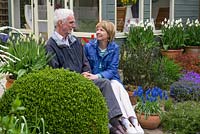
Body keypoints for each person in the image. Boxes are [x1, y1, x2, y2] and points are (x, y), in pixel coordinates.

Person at [45, 9, 126, 134]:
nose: (74, 26)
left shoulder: (75, 41)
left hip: (83, 79)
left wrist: (87, 73)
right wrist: (76, 78)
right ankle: (112, 128)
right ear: (61, 23)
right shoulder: (51, 45)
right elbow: (55, 71)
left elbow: (85, 62)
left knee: (105, 83)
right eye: (71, 23)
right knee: (103, 85)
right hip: (68, 84)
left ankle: (115, 123)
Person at [83, 20, 144, 134]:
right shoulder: (88, 47)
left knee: (118, 87)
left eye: (101, 30)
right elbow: (85, 64)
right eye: (97, 29)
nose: (98, 32)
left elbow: (112, 69)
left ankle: (131, 120)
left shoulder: (114, 48)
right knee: (112, 87)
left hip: (111, 77)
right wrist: (90, 75)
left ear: (109, 34)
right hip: (98, 80)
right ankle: (127, 121)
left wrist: (97, 76)